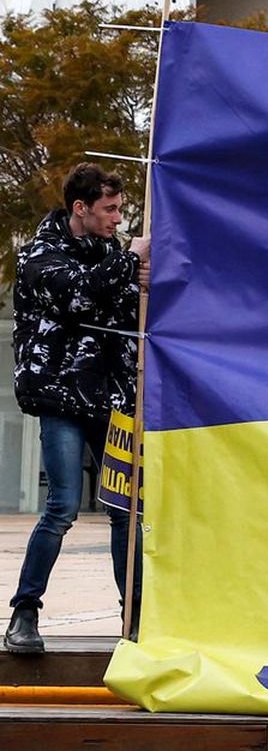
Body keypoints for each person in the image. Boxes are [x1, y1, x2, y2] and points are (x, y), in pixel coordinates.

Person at [6, 163, 145, 653]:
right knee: (62, 505)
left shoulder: (111, 254)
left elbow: (128, 307)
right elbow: (81, 295)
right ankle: (24, 613)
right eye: (109, 209)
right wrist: (131, 261)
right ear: (80, 208)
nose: (117, 219)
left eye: (120, 210)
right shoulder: (38, 256)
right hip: (61, 397)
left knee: (126, 510)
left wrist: (144, 278)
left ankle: (137, 620)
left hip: (110, 399)